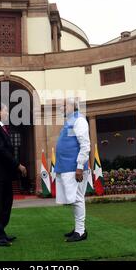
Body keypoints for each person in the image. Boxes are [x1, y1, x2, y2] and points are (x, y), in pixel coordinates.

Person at [0, 102, 28, 247]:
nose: (8, 113)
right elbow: (1, 150)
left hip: (5, 175)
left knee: (6, 204)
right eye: (5, 111)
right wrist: (17, 165)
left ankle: (0, 231)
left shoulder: (2, 128)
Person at [54, 98, 91, 242]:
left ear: (72, 106)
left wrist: (80, 167)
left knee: (77, 199)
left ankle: (80, 231)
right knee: (75, 200)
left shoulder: (79, 120)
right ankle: (78, 228)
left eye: (64, 106)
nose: (61, 109)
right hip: (67, 167)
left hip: (74, 168)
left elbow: (85, 145)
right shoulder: (70, 121)